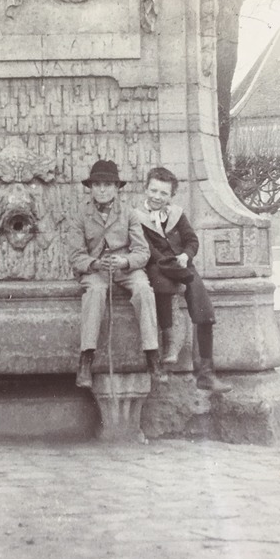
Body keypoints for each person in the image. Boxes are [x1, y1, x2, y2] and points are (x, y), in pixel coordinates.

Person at [67, 158, 164, 390]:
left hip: (125, 269)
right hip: (96, 270)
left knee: (143, 289)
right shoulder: (80, 215)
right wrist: (95, 264)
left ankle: (153, 356)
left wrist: (125, 261)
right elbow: (76, 256)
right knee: (96, 291)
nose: (102, 189)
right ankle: (86, 358)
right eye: (98, 184)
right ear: (90, 187)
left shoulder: (129, 214)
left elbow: (143, 252)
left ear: (116, 188)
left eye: (108, 185)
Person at [137, 166, 230, 393]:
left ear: (171, 196)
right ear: (145, 189)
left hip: (182, 265)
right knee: (163, 287)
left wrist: (186, 255)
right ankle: (169, 346)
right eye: (153, 190)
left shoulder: (177, 215)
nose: (157, 197)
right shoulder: (137, 217)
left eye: (163, 193)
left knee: (204, 309)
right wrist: (167, 264)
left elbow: (192, 240)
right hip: (157, 265)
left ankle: (206, 373)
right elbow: (146, 249)